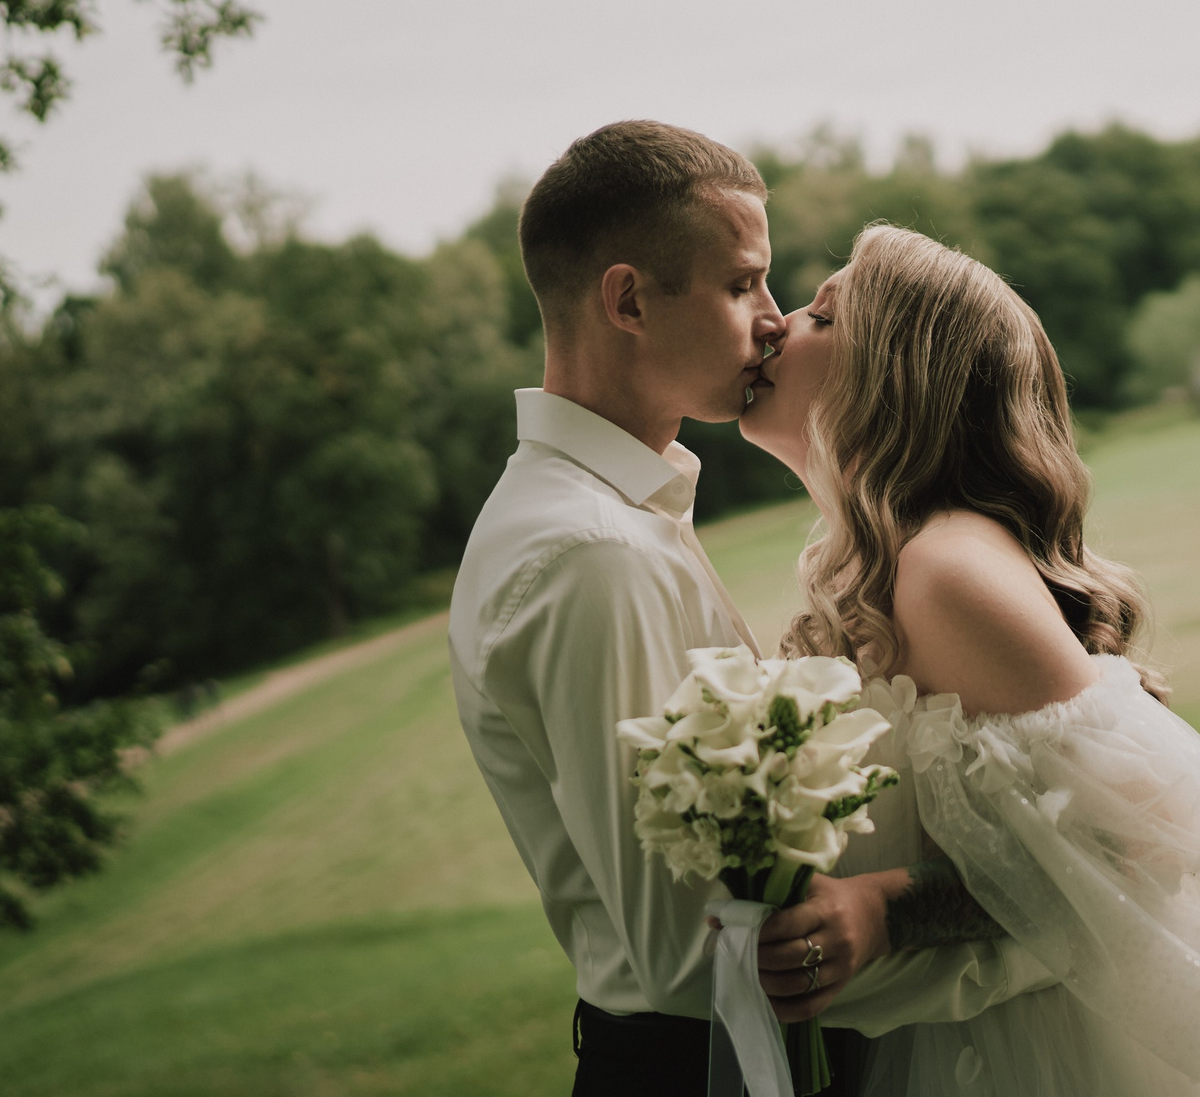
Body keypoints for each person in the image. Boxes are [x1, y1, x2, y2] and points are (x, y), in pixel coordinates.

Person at [448, 125, 1056, 1097]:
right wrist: (1035, 933)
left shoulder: (614, 517)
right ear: (629, 300)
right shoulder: (589, 553)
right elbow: (697, 959)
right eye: (743, 286)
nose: (770, 321)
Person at [738, 224, 1200, 1096]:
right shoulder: (882, 562)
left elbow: (1145, 843)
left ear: (895, 372)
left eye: (823, 314)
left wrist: (883, 909)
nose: (781, 324)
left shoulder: (945, 568)